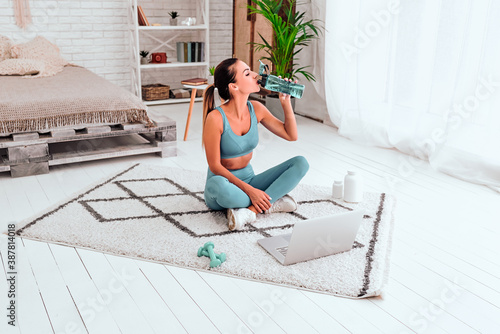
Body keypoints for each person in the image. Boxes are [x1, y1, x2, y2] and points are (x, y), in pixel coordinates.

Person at [202, 58, 309, 230]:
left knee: (301, 163)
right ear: (234, 87)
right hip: (225, 186)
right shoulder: (215, 118)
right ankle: (271, 200)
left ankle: (250, 211)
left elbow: (291, 135)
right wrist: (251, 192)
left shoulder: (256, 108)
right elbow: (214, 166)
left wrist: (285, 102)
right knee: (220, 186)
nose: (255, 75)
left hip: (251, 180)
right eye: (247, 73)